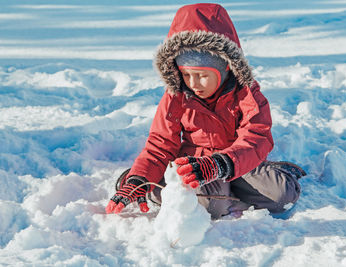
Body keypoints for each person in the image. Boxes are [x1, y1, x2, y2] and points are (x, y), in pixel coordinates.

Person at [106, 3, 306, 219]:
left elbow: (257, 137)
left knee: (282, 195)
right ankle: (147, 184)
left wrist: (222, 164)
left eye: (202, 75)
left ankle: (252, 180)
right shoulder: (176, 95)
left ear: (226, 66)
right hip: (195, 166)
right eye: (186, 75)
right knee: (208, 205)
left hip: (235, 161)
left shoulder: (247, 94)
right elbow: (160, 145)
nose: (193, 83)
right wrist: (139, 178)